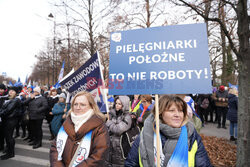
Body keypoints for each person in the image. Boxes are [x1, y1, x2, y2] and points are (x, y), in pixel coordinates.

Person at [125, 95, 212, 167]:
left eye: (181, 111)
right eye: (171, 111)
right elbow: (131, 163)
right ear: (160, 113)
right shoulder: (145, 133)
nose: (177, 115)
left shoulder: (191, 135)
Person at [50, 91, 110, 166]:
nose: (78, 107)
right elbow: (55, 147)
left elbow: (99, 156)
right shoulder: (67, 122)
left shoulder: (99, 127)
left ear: (91, 106)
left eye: (82, 105)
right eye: (75, 104)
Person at [106, 95, 132, 166]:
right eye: (116, 103)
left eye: (119, 104)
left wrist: (109, 123)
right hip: (111, 146)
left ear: (124, 105)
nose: (117, 105)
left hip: (120, 148)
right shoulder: (112, 114)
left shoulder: (127, 117)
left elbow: (118, 130)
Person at [0, 86, 21, 160]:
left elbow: (7, 110)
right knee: (7, 137)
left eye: (12, 91)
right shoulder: (8, 99)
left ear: (16, 93)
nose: (10, 92)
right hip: (6, 120)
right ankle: (8, 150)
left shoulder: (15, 100)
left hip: (10, 121)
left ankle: (10, 153)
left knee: (9, 137)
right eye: (9, 91)